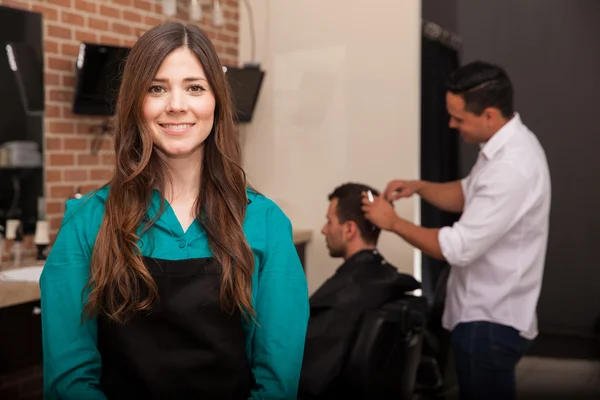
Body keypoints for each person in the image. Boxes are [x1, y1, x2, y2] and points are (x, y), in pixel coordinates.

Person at [40, 22, 309, 400]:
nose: (177, 105)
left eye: (195, 87)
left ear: (216, 100)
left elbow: (276, 380)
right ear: (136, 102)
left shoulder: (265, 222)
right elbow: (69, 378)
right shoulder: (88, 222)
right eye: (157, 88)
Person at [361, 61, 551, 400]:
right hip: (483, 316)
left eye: (459, 118)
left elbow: (456, 247)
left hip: (490, 322)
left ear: (489, 115)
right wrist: (418, 187)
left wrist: (393, 223)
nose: (451, 124)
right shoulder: (503, 147)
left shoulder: (512, 168)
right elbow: (467, 192)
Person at [299, 183, 420, 399]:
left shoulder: (344, 298)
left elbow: (307, 378)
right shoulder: (389, 281)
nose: (324, 230)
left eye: (329, 221)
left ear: (349, 230)